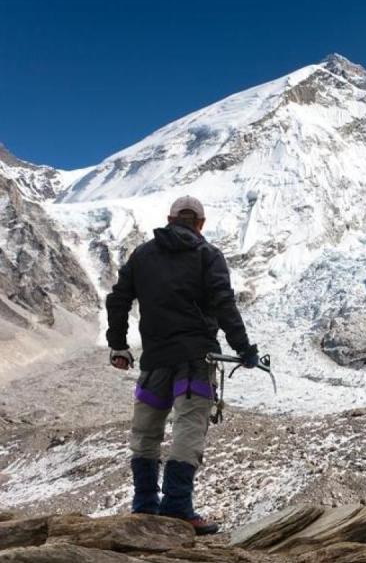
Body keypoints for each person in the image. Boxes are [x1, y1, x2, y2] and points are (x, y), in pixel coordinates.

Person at [105, 196, 258, 535]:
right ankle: (176, 507)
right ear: (200, 224)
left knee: (145, 431)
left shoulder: (143, 255)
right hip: (196, 359)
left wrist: (118, 344)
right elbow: (223, 303)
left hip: (155, 359)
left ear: (170, 218)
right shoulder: (208, 256)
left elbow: (117, 299)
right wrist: (244, 348)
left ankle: (144, 506)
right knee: (188, 427)